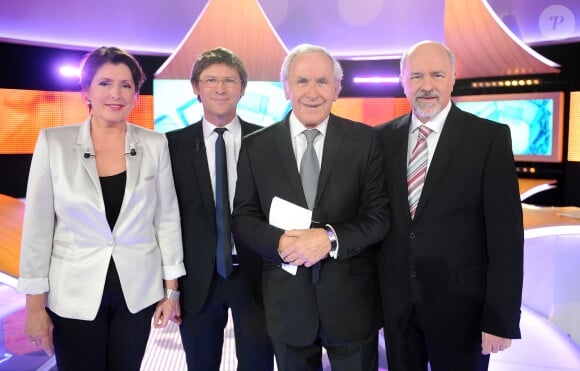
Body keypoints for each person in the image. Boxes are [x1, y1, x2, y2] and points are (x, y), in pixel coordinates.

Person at [16, 46, 186, 371]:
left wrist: (171, 290)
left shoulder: (154, 144)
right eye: (105, 83)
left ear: (136, 94)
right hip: (73, 292)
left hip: (136, 292)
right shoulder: (54, 142)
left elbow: (166, 218)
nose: (116, 94)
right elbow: (37, 228)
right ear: (87, 91)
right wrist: (35, 306)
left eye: (126, 85)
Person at [232, 43, 389, 371]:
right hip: (287, 305)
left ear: (337, 89)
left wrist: (329, 238)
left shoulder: (365, 140)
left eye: (323, 81)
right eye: (302, 81)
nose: (312, 91)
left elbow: (378, 217)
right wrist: (278, 243)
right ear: (286, 88)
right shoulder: (256, 146)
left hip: (351, 305)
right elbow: (244, 217)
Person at [376, 40, 524, 371]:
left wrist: (500, 318)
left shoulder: (489, 138)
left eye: (437, 75)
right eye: (416, 76)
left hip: (463, 312)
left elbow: (506, 239)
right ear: (403, 81)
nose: (426, 85)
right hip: (398, 310)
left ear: (453, 78)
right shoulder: (380, 138)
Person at [166, 47, 274, 371]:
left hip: (256, 277)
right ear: (195, 88)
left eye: (229, 80)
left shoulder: (269, 140)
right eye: (210, 79)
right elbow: (165, 216)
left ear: (243, 88)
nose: (220, 88)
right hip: (197, 279)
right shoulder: (170, 145)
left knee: (258, 365)